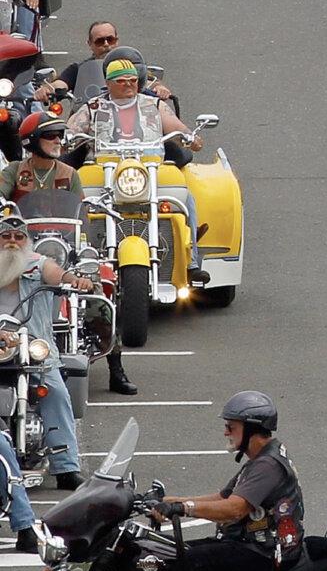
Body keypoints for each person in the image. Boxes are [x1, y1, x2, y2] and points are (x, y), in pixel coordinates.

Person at [137, 391, 304, 571]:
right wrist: (167, 502)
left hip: (263, 554)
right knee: (172, 553)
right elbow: (222, 497)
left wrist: (184, 509)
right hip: (252, 545)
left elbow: (234, 509)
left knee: (191, 562)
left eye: (232, 426)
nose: (225, 431)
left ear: (252, 428)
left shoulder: (267, 465)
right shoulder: (261, 458)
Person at [2, 113, 137, 395]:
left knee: (101, 290)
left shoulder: (69, 173)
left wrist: (83, 244)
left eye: (59, 135)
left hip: (62, 246)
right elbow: (2, 197)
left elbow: (80, 214)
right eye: (49, 136)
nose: (57, 141)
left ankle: (116, 366)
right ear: (31, 141)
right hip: (23, 248)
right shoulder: (14, 171)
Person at [66, 54, 210, 284]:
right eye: (121, 81)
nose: (129, 85)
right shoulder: (93, 107)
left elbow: (177, 127)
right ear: (109, 83)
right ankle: (74, 258)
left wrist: (189, 137)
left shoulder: (153, 104)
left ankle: (192, 260)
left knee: (185, 197)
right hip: (105, 168)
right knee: (77, 201)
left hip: (149, 166)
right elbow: (70, 132)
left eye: (132, 80)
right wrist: (67, 137)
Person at [0, 216, 93, 490]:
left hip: (33, 348)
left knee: (55, 390)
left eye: (19, 237)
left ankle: (66, 468)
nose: (13, 243)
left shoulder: (37, 264)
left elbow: (55, 273)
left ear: (27, 242)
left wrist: (73, 280)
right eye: (6, 237)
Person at [33, 21, 173, 102]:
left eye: (110, 39)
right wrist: (46, 89)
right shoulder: (79, 68)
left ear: (117, 41)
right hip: (91, 118)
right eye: (100, 41)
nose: (106, 44)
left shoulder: (131, 64)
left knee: (178, 152)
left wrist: (160, 88)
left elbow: (149, 80)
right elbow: (60, 83)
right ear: (90, 44)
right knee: (65, 149)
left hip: (134, 116)